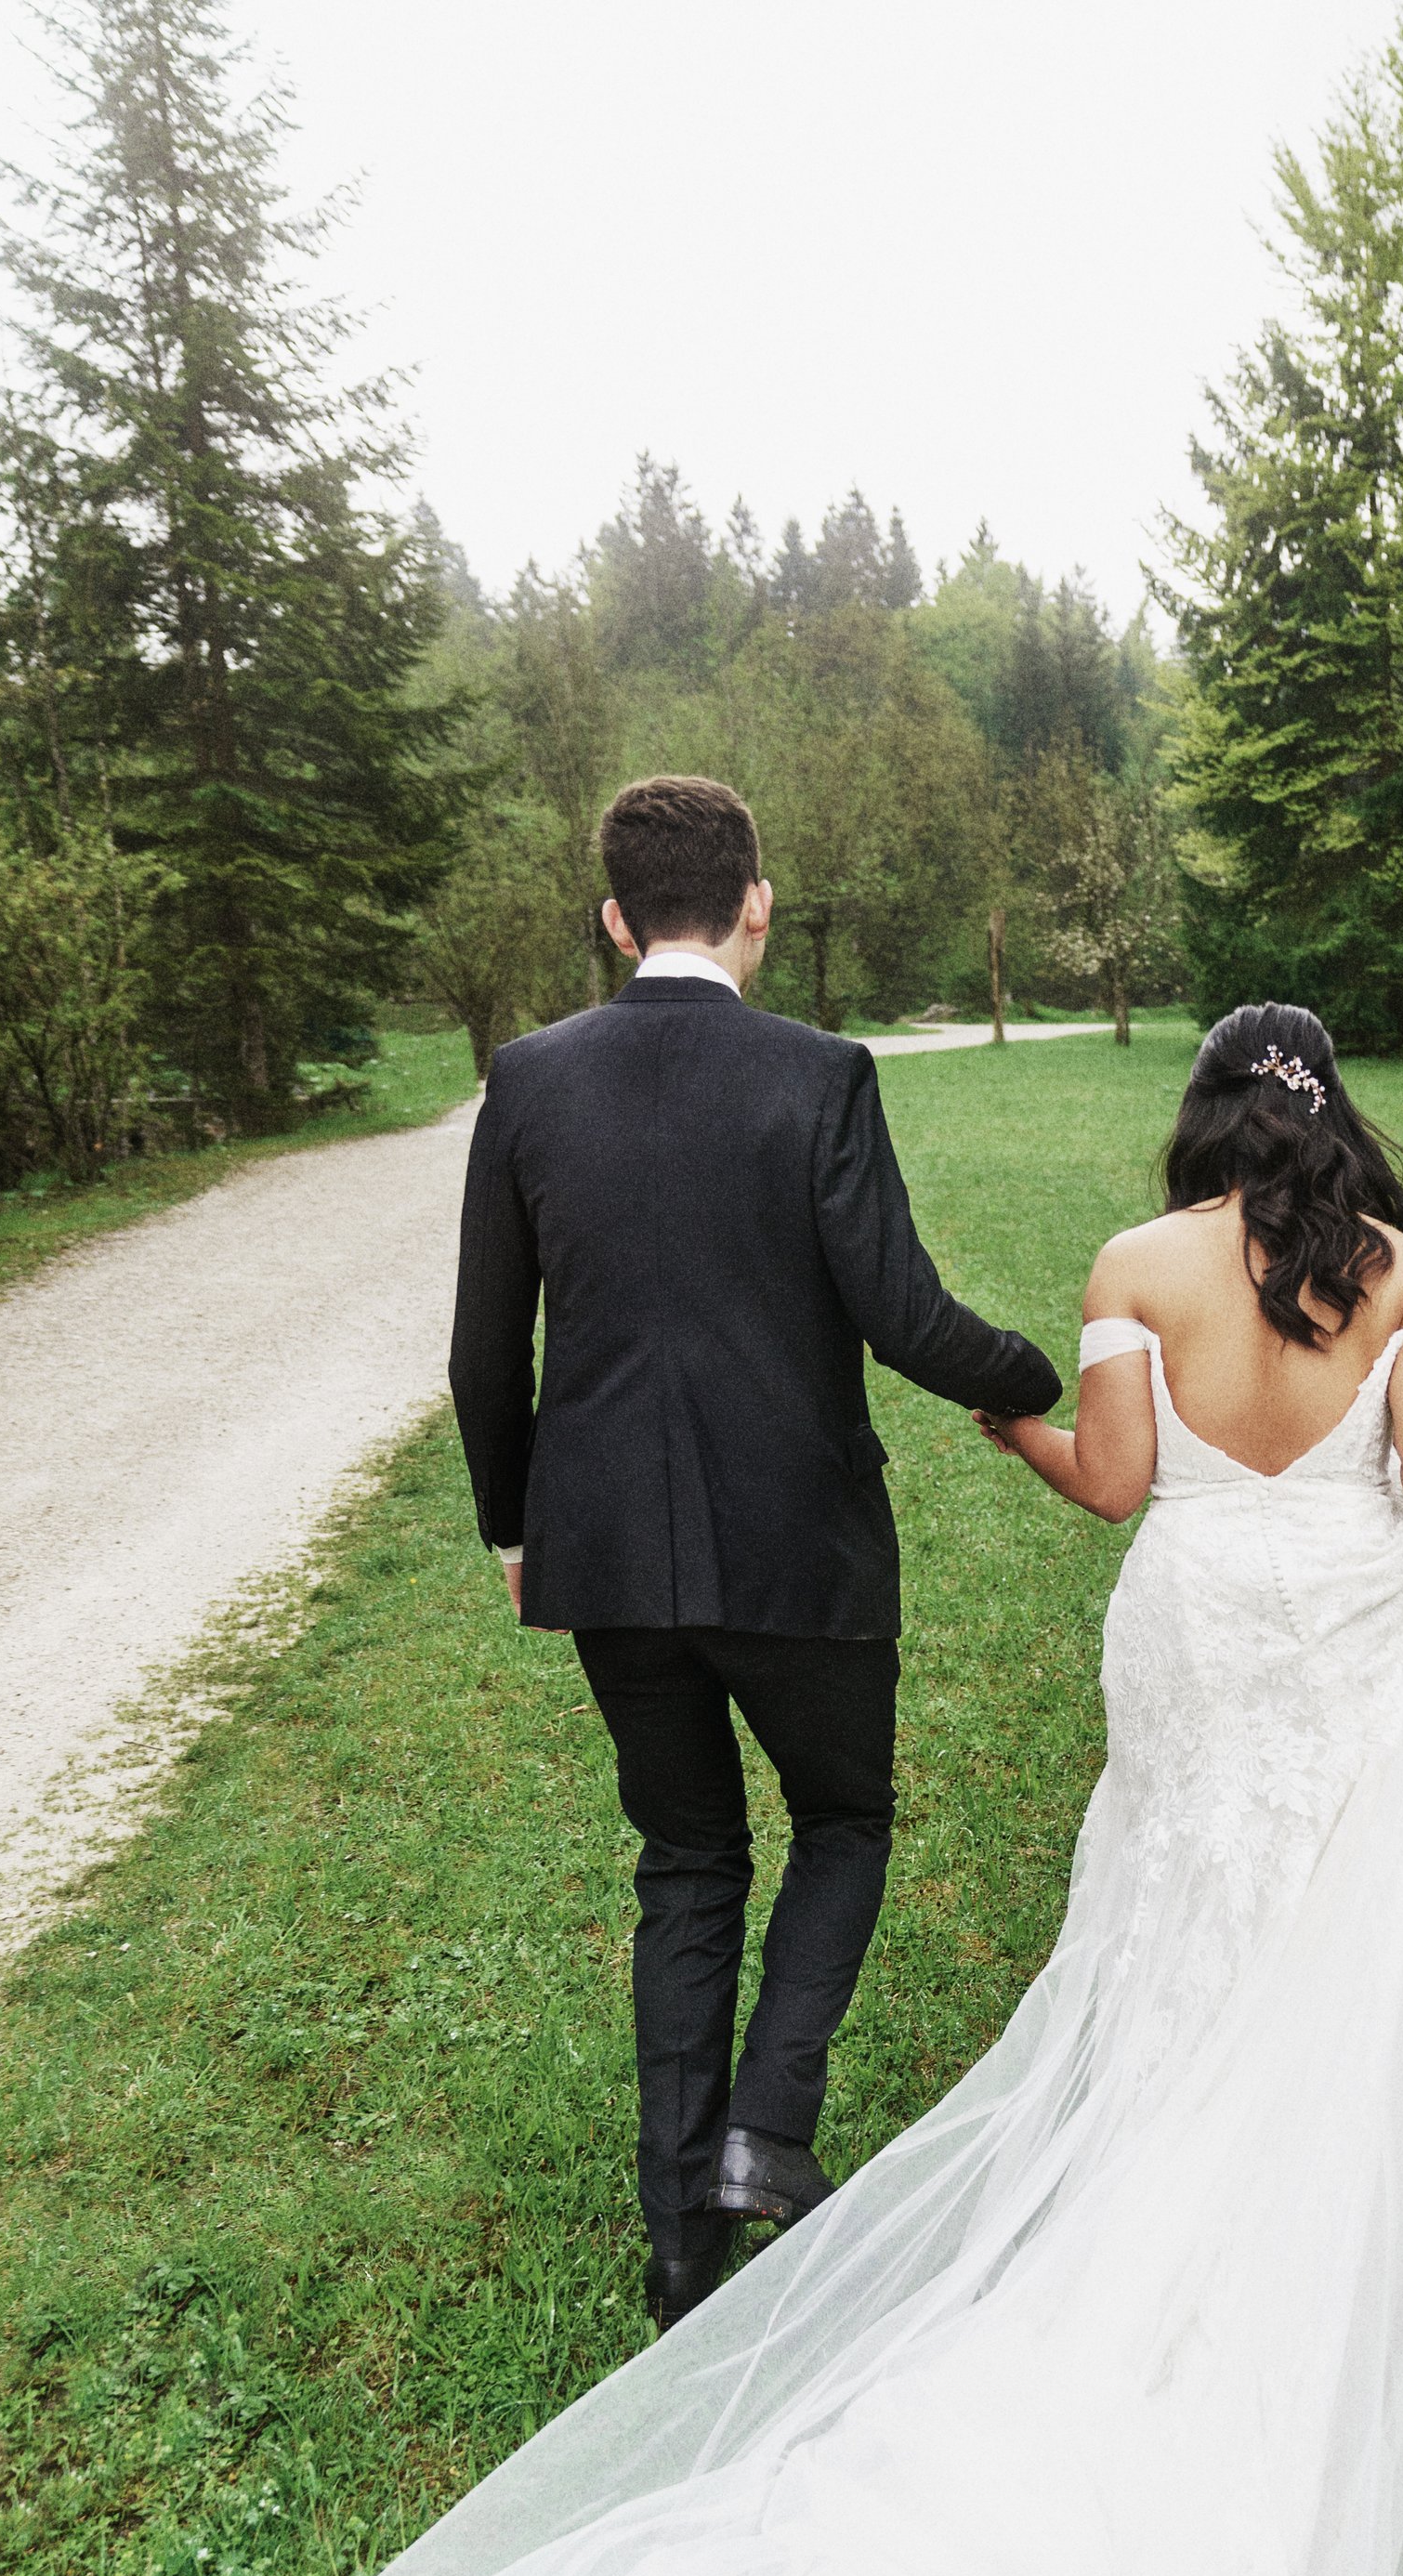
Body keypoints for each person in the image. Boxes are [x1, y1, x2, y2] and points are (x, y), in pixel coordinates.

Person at [273, 1003, 1403, 2576]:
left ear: (1197, 1121)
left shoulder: (1129, 1270)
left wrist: (1022, 1425)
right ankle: (1324, 2208)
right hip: (1355, 1634)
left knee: (1180, 1932)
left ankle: (1144, 2184)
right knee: (1344, 1927)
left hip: (1197, 1630)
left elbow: (1114, 1487)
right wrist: (1387, 1401)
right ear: (1335, 1120)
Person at [444, 775, 1061, 2334]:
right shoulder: (821, 1075)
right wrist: (1037, 1377)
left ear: (611, 917)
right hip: (801, 1554)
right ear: (757, 904)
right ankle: (764, 2130)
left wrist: (515, 1526)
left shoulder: (525, 1081)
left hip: (601, 1559)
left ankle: (679, 2241)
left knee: (688, 1859)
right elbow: (904, 1313)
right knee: (844, 1818)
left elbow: (477, 1356)